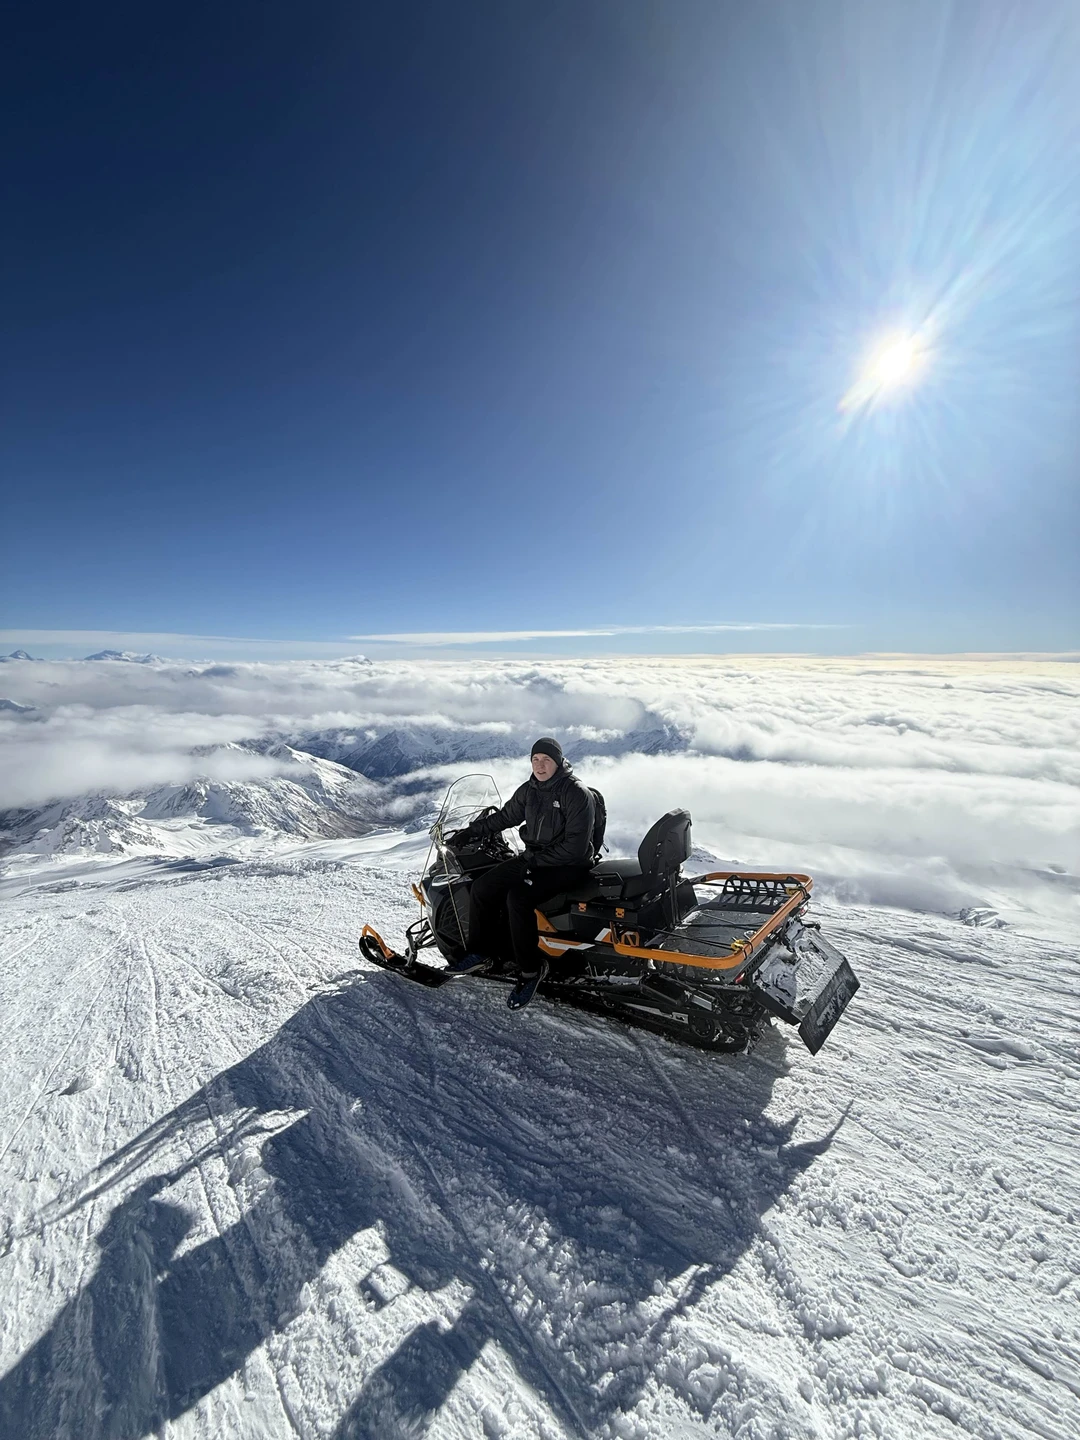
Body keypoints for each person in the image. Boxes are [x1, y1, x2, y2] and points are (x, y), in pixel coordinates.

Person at [447, 737, 595, 1009]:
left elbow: (574, 848)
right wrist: (471, 831)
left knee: (519, 898)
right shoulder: (530, 790)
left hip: (568, 866)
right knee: (483, 887)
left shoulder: (575, 794)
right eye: (535, 759)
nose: (540, 765)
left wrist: (534, 862)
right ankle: (482, 951)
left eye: (546, 760)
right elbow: (505, 818)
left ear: (558, 762)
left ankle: (530, 970)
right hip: (534, 858)